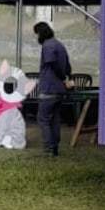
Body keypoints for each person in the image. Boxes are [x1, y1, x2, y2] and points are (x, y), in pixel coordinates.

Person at [33, 21, 71, 157]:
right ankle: (55, 147)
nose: (36, 37)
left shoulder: (47, 46)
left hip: (48, 88)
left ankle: (49, 147)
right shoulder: (60, 45)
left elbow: (51, 62)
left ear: (41, 33)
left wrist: (60, 76)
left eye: (36, 34)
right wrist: (65, 79)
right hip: (60, 90)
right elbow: (68, 67)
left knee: (43, 119)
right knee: (54, 119)